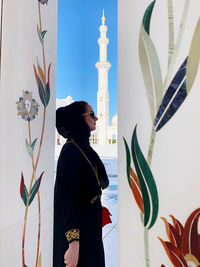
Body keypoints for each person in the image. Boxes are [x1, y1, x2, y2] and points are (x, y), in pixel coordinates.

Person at [53, 101, 109, 267]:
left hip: (90, 228)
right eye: (92, 114)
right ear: (80, 119)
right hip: (80, 235)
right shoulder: (71, 150)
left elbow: (86, 189)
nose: (96, 118)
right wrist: (73, 244)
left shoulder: (84, 148)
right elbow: (67, 198)